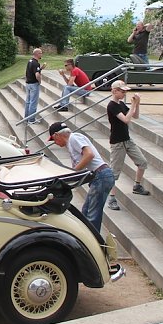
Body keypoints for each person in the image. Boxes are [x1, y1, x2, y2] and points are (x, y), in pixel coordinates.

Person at [48, 122, 114, 232]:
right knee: (86, 211)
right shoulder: (71, 143)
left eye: (54, 140)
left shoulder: (74, 138)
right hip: (99, 177)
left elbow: (89, 154)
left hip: (101, 175)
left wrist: (73, 172)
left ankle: (93, 239)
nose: (55, 143)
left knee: (92, 214)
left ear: (56, 135)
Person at [105, 80, 150, 210]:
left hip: (127, 140)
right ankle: (111, 198)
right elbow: (125, 120)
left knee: (142, 162)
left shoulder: (121, 104)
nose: (124, 94)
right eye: (122, 91)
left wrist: (137, 104)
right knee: (114, 172)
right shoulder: (112, 106)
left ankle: (137, 185)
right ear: (114, 91)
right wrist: (133, 104)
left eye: (125, 91)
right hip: (117, 143)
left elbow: (135, 116)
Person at [24, 48, 45, 124]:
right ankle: (31, 120)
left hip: (28, 84)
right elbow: (37, 75)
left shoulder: (30, 61)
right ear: (37, 54)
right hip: (34, 84)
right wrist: (39, 81)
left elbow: (30, 71)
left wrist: (41, 68)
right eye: (40, 53)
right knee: (33, 102)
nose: (41, 54)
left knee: (28, 102)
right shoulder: (36, 63)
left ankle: (26, 118)